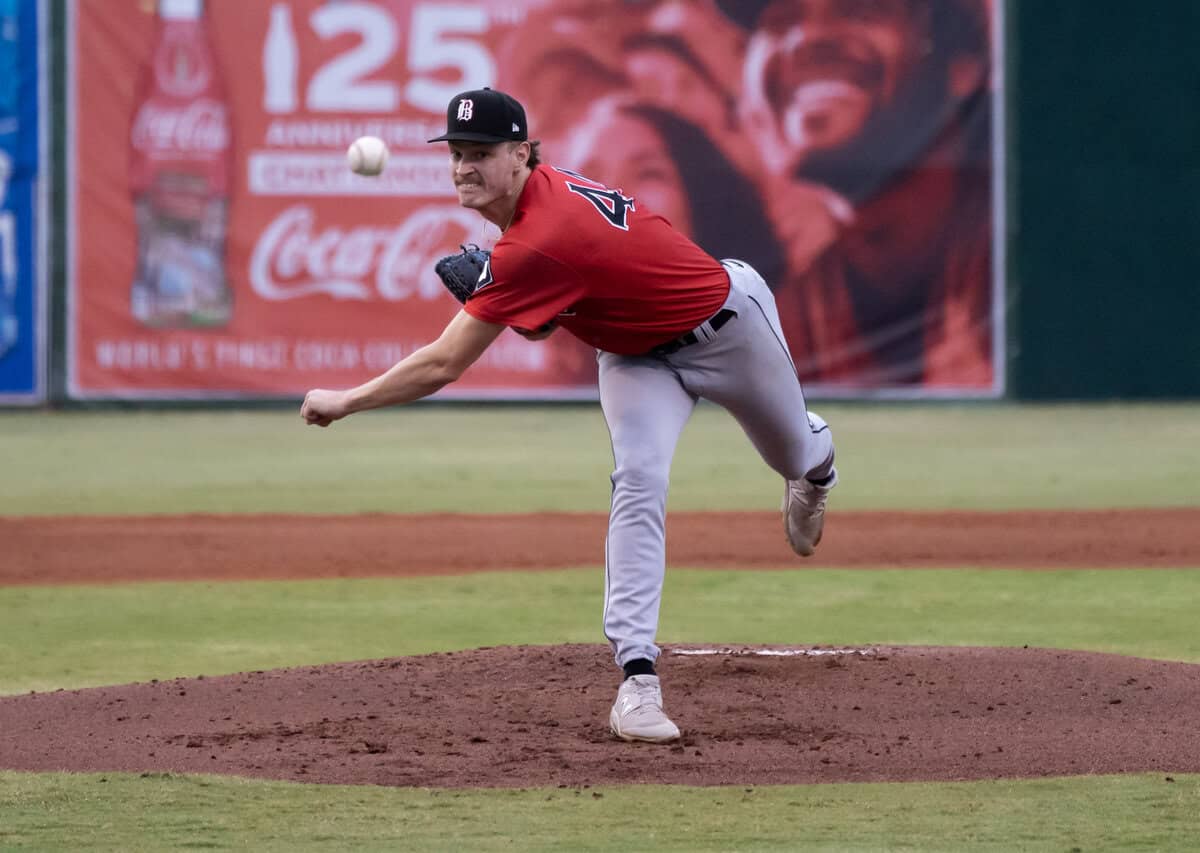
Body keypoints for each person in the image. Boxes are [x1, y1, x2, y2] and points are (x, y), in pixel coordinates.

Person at [300, 87, 838, 744]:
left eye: (482, 153)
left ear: (522, 152)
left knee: (794, 455)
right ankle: (637, 682)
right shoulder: (529, 226)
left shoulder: (536, 242)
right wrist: (513, 291)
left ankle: (816, 464)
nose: (465, 166)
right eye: (458, 153)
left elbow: (443, 365)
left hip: (728, 328)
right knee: (639, 480)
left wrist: (347, 400)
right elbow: (556, 307)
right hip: (635, 356)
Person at [718, 0, 994, 386]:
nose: (807, 40)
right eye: (780, 22)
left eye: (859, 12)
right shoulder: (793, 313)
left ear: (964, 70)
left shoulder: (1020, 253)